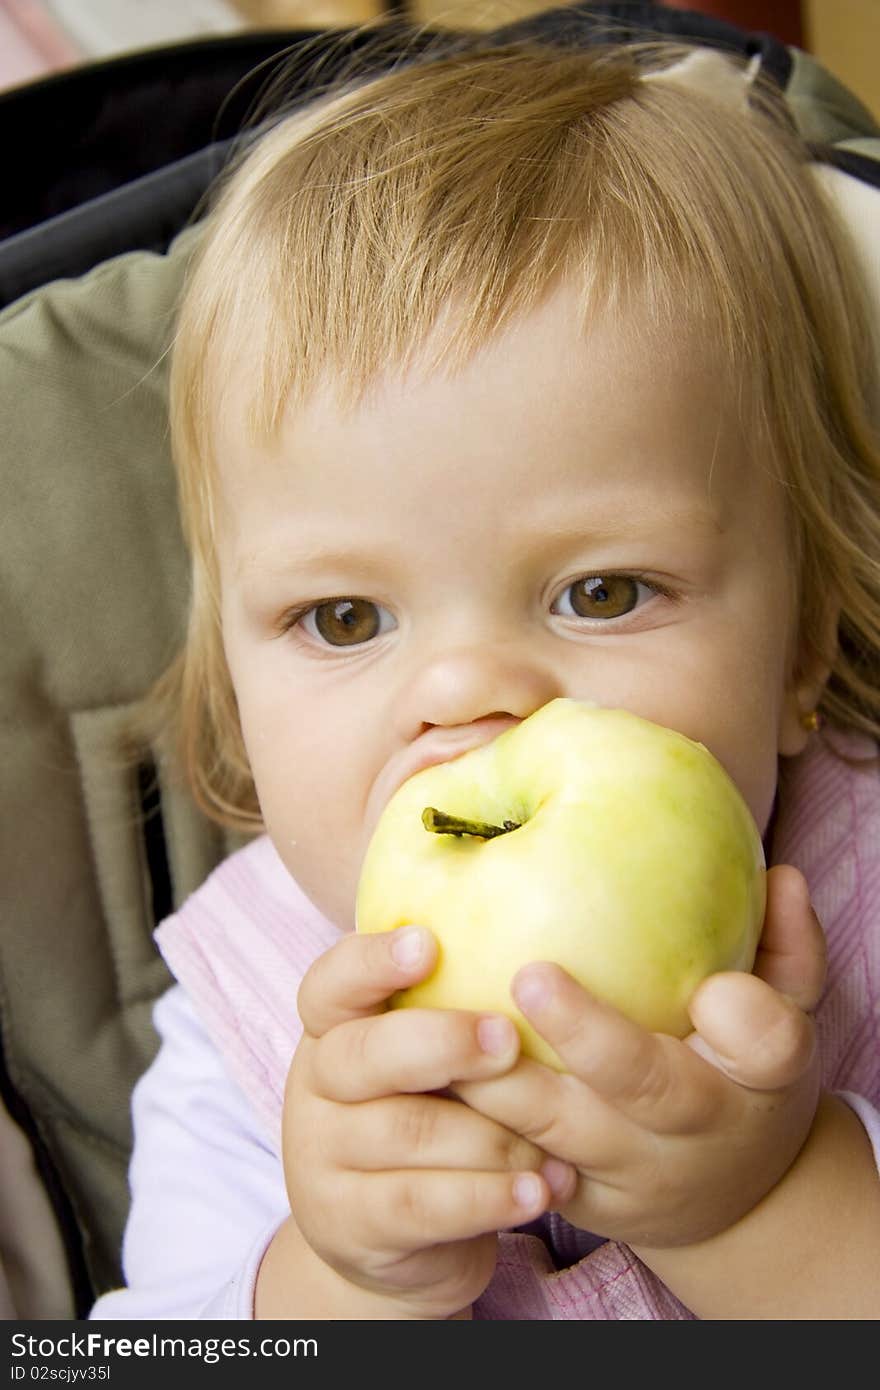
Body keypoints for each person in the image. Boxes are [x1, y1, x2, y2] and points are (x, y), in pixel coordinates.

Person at [90, 34, 880, 1320]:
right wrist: (335, 1285)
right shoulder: (244, 1029)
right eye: (344, 616)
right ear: (233, 688)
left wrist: (764, 1206)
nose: (466, 698)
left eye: (603, 592)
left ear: (801, 643)